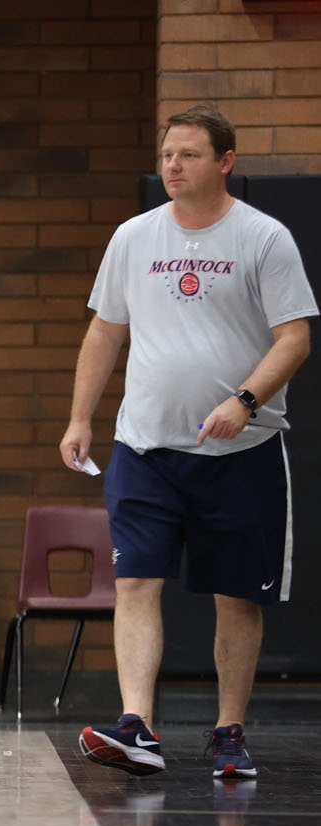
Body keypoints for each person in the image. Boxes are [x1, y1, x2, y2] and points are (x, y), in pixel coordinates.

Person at [62, 106, 317, 780]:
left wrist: (244, 400)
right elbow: (104, 332)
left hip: (241, 454)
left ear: (225, 162)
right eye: (168, 155)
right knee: (136, 579)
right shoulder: (132, 237)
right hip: (145, 448)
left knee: (237, 597)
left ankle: (229, 733)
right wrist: (80, 417)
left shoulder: (264, 238)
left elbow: (295, 337)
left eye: (190, 155)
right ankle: (137, 725)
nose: (173, 166)